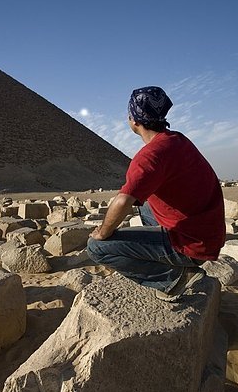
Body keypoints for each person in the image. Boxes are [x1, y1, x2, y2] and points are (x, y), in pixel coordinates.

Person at [87, 86, 225, 301]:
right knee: (143, 201)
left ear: (134, 120)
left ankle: (173, 278)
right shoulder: (178, 140)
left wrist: (102, 232)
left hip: (192, 245)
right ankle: (169, 257)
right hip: (209, 234)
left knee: (96, 248)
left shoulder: (149, 157)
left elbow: (123, 200)